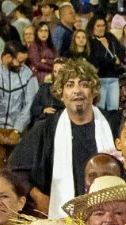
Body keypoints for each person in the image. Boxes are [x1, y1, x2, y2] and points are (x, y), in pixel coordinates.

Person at [11, 58, 115, 214]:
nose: (77, 90)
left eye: (84, 84)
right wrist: (38, 196)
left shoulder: (113, 125)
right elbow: (14, 167)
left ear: (94, 92)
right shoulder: (46, 128)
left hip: (105, 215)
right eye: (70, 85)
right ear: (61, 93)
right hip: (60, 219)